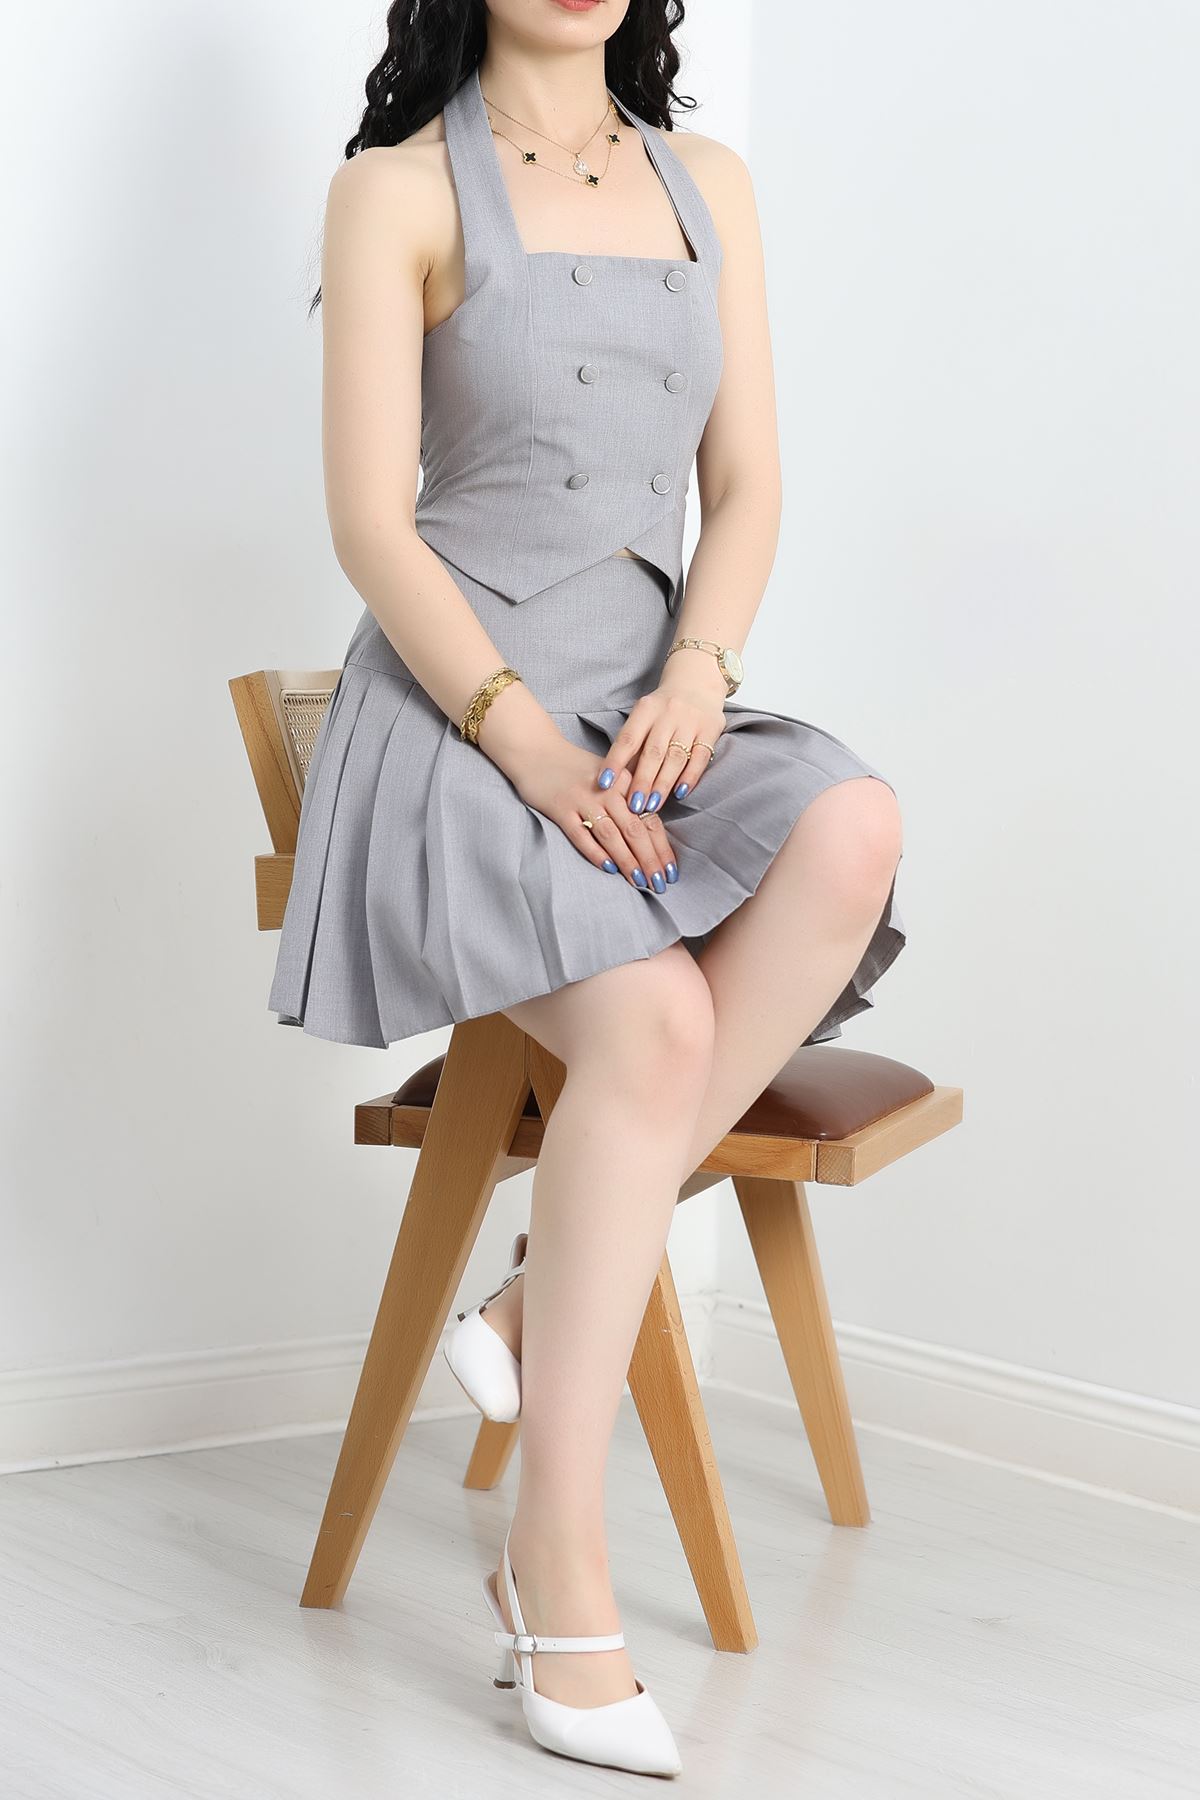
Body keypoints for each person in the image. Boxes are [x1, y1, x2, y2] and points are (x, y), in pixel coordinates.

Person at [268, 0, 906, 1776]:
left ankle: (533, 1304)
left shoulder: (710, 181)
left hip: (647, 700)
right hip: (459, 720)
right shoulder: (396, 190)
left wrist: (701, 670)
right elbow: (370, 523)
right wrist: (528, 746)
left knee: (852, 824)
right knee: (657, 1025)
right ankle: (555, 1566)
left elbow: (747, 483)